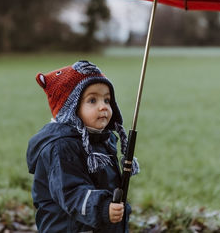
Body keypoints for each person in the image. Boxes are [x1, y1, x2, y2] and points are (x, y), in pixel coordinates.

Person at [27, 60, 139, 232]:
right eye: (92, 100)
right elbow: (70, 191)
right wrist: (102, 207)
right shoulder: (61, 146)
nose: (103, 106)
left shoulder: (102, 140)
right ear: (71, 109)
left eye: (107, 100)